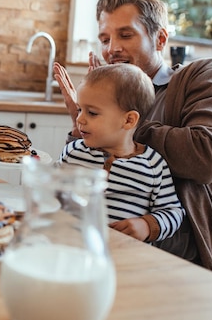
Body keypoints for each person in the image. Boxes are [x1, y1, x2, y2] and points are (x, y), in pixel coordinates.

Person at [54, 0, 212, 279]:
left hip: (175, 263)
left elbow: (207, 157)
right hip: (97, 250)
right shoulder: (105, 100)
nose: (111, 49)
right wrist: (83, 121)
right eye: (105, 39)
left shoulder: (206, 77)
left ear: (161, 39)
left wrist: (115, 121)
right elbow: (78, 174)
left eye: (126, 35)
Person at [59, 63, 185, 243]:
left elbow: (173, 212)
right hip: (70, 247)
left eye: (92, 113)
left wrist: (147, 225)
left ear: (128, 120)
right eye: (80, 109)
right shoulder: (73, 152)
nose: (79, 119)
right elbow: (50, 191)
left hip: (124, 256)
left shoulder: (153, 164)